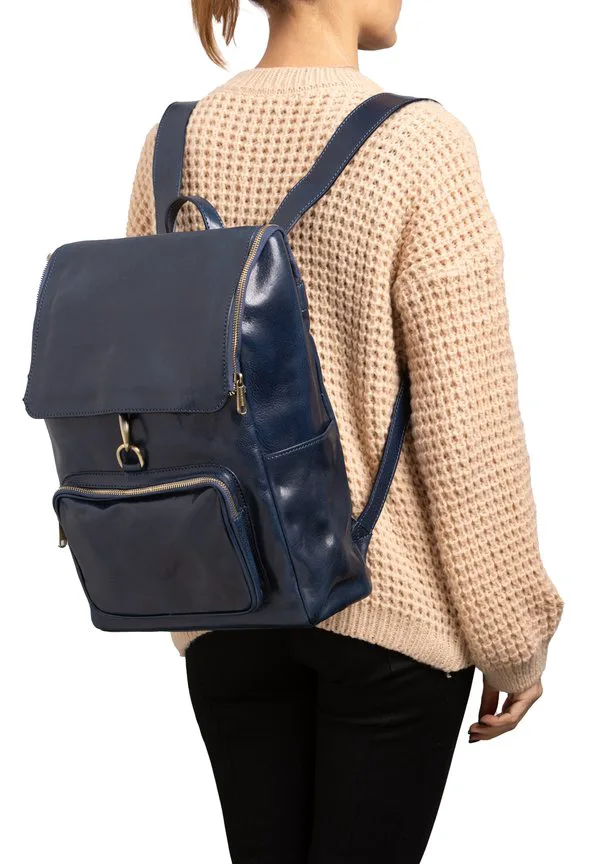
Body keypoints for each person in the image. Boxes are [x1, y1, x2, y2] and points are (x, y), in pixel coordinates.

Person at [126, 1, 564, 861]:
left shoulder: (170, 146)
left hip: (228, 614)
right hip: (386, 620)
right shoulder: (420, 145)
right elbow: (469, 433)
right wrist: (515, 641)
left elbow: (149, 390)